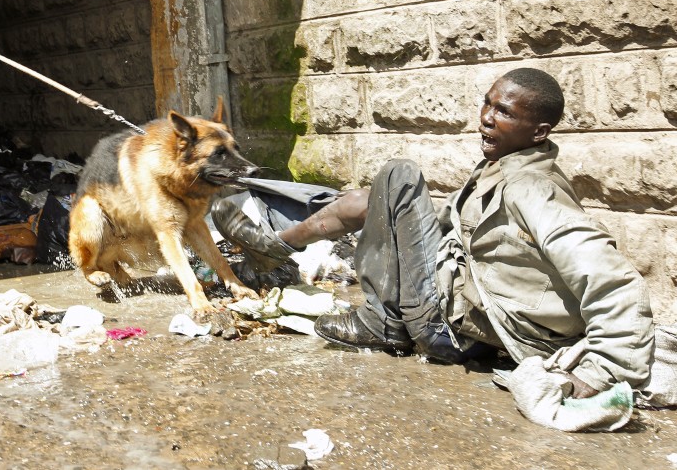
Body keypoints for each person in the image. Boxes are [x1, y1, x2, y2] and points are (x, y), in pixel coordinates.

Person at [213, 67, 654, 398]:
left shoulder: (532, 188)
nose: (485, 118)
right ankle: (274, 245)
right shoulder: (501, 168)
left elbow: (611, 277)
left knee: (399, 176)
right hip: (461, 309)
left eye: (503, 112)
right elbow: (454, 227)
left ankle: (383, 322)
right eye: (487, 103)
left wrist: (601, 372)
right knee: (371, 197)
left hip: (449, 327)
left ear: (539, 131)